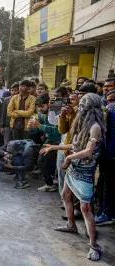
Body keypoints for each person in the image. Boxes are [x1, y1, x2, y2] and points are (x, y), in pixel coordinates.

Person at [41, 93, 105, 261]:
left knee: (85, 208)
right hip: (74, 168)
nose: (80, 107)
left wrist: (69, 157)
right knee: (65, 195)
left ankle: (94, 245)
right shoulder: (83, 123)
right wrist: (53, 147)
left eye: (83, 104)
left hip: (84, 171)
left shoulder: (95, 127)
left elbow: (89, 151)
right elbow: (75, 145)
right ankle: (71, 225)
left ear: (90, 108)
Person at [28, 93, 61, 192]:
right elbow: (37, 130)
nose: (40, 109)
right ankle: (51, 182)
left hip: (58, 141)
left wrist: (39, 126)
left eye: (42, 106)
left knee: (42, 161)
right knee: (45, 162)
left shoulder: (57, 111)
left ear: (49, 104)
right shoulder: (41, 114)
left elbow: (58, 131)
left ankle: (50, 183)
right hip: (49, 140)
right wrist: (30, 128)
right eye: (38, 107)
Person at [95, 90, 115, 225]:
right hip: (108, 154)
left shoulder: (109, 110)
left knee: (107, 184)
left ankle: (106, 213)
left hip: (109, 154)